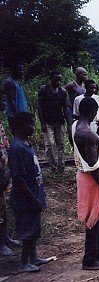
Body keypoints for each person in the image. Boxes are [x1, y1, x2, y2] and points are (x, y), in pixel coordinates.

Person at [72, 97, 99, 270]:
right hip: (94, 180)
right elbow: (93, 166)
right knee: (95, 219)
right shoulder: (88, 134)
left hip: (86, 177)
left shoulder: (75, 126)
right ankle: (90, 260)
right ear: (93, 111)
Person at [8, 112, 50, 272]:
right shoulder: (17, 148)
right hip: (25, 199)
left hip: (33, 194)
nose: (33, 127)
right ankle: (24, 263)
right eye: (30, 124)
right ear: (20, 126)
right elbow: (18, 178)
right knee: (27, 231)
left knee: (34, 228)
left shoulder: (26, 144)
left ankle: (33, 257)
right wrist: (33, 199)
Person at [37, 70, 72, 173]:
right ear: (51, 79)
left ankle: (61, 166)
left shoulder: (63, 92)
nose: (59, 82)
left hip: (59, 121)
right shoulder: (44, 90)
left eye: (60, 80)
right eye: (57, 80)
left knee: (61, 144)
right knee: (50, 144)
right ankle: (53, 167)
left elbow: (65, 108)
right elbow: (39, 106)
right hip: (48, 121)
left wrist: (69, 124)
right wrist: (42, 122)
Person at [0, 90, 21, 256]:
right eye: (2, 101)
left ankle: (5, 238)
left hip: (4, 173)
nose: (4, 104)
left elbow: (5, 147)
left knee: (3, 209)